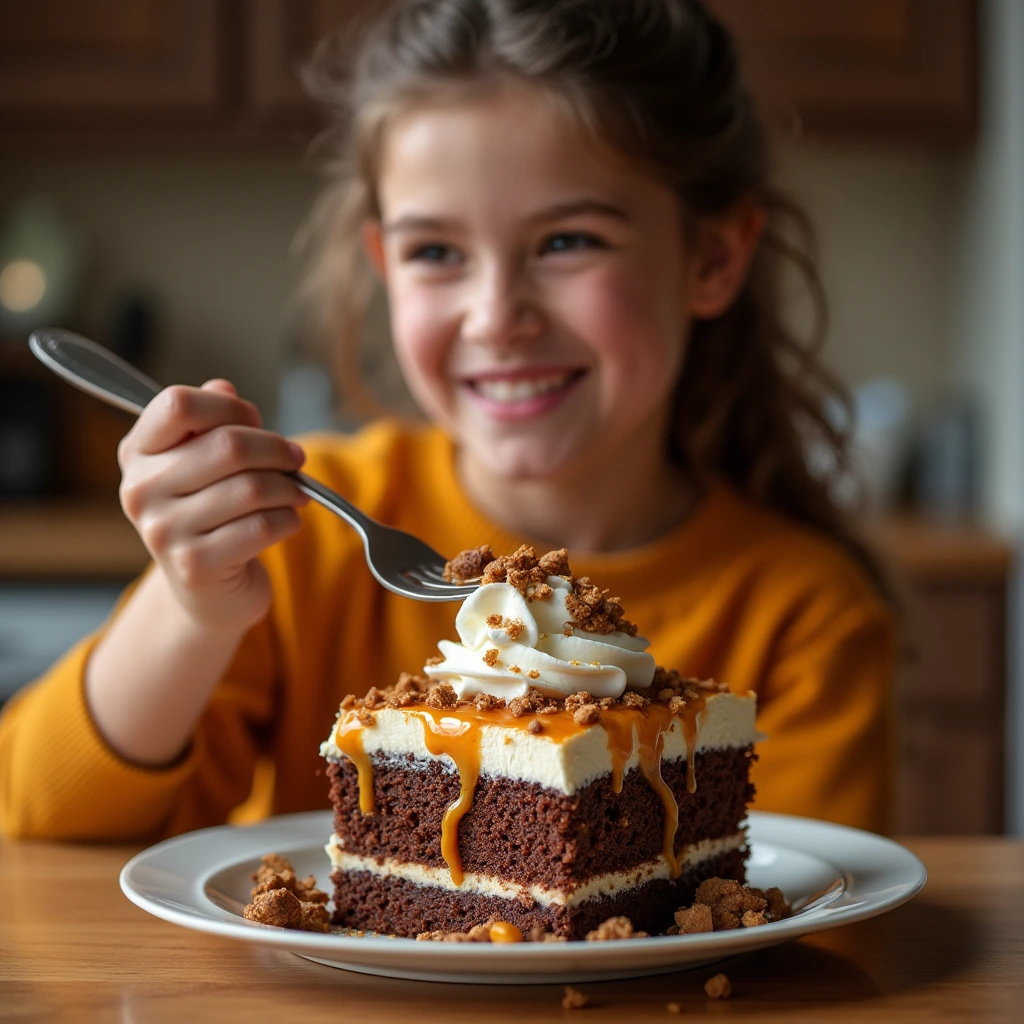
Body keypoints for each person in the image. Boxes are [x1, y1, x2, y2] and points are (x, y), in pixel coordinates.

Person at [0, 0, 894, 842]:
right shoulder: (310, 530)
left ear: (713, 257)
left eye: (568, 241)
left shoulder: (805, 617)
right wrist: (192, 606)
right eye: (437, 253)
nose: (496, 313)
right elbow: (38, 822)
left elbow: (800, 932)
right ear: (385, 264)